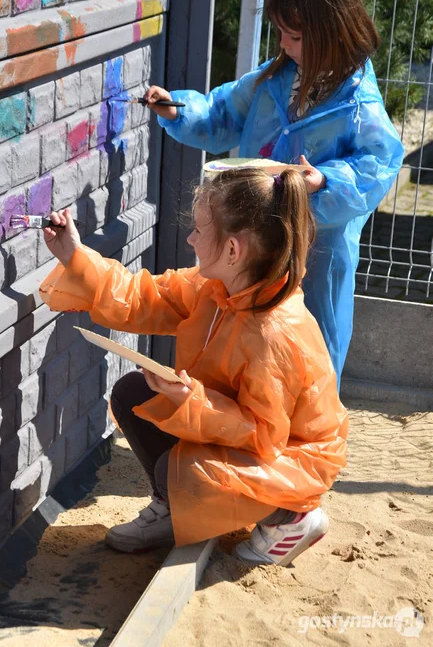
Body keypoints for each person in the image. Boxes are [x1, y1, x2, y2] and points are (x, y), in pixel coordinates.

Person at [40, 167, 348, 566]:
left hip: (294, 457)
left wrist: (194, 402)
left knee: (191, 472)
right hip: (244, 435)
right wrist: (75, 257)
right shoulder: (216, 288)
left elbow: (266, 435)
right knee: (135, 394)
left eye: (199, 230)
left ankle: (290, 517)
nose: (190, 238)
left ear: (234, 251)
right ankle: (174, 510)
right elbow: (141, 296)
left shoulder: (275, 333)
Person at [144, 0, 405, 383]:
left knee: (312, 355)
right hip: (259, 238)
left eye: (294, 35)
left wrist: (326, 180)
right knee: (248, 343)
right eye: (280, 32)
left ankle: (303, 446)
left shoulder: (361, 107)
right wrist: (177, 109)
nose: (283, 44)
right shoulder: (276, 78)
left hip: (317, 252)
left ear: (330, 34)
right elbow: (222, 112)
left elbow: (377, 166)